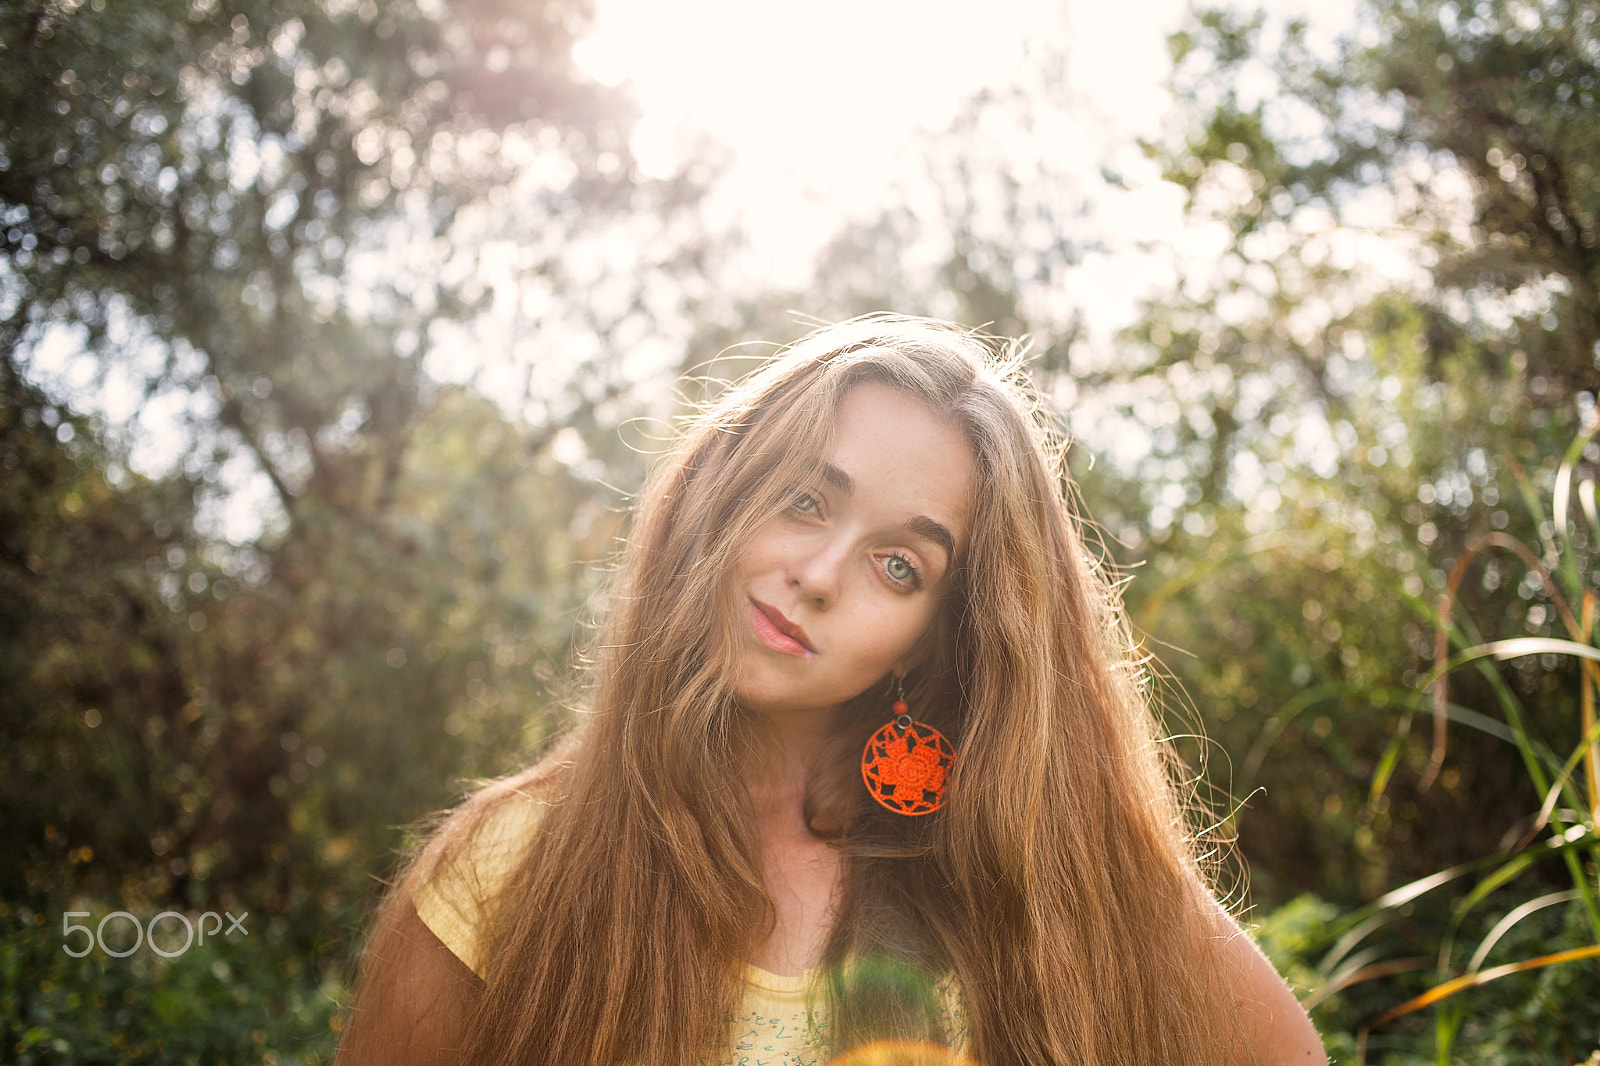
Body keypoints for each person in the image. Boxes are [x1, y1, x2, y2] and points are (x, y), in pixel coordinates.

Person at [337, 317, 1327, 1066]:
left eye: (899, 566)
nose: (819, 574)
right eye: (805, 500)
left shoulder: (1037, 867)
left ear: (925, 641)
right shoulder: (508, 866)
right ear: (728, 493)